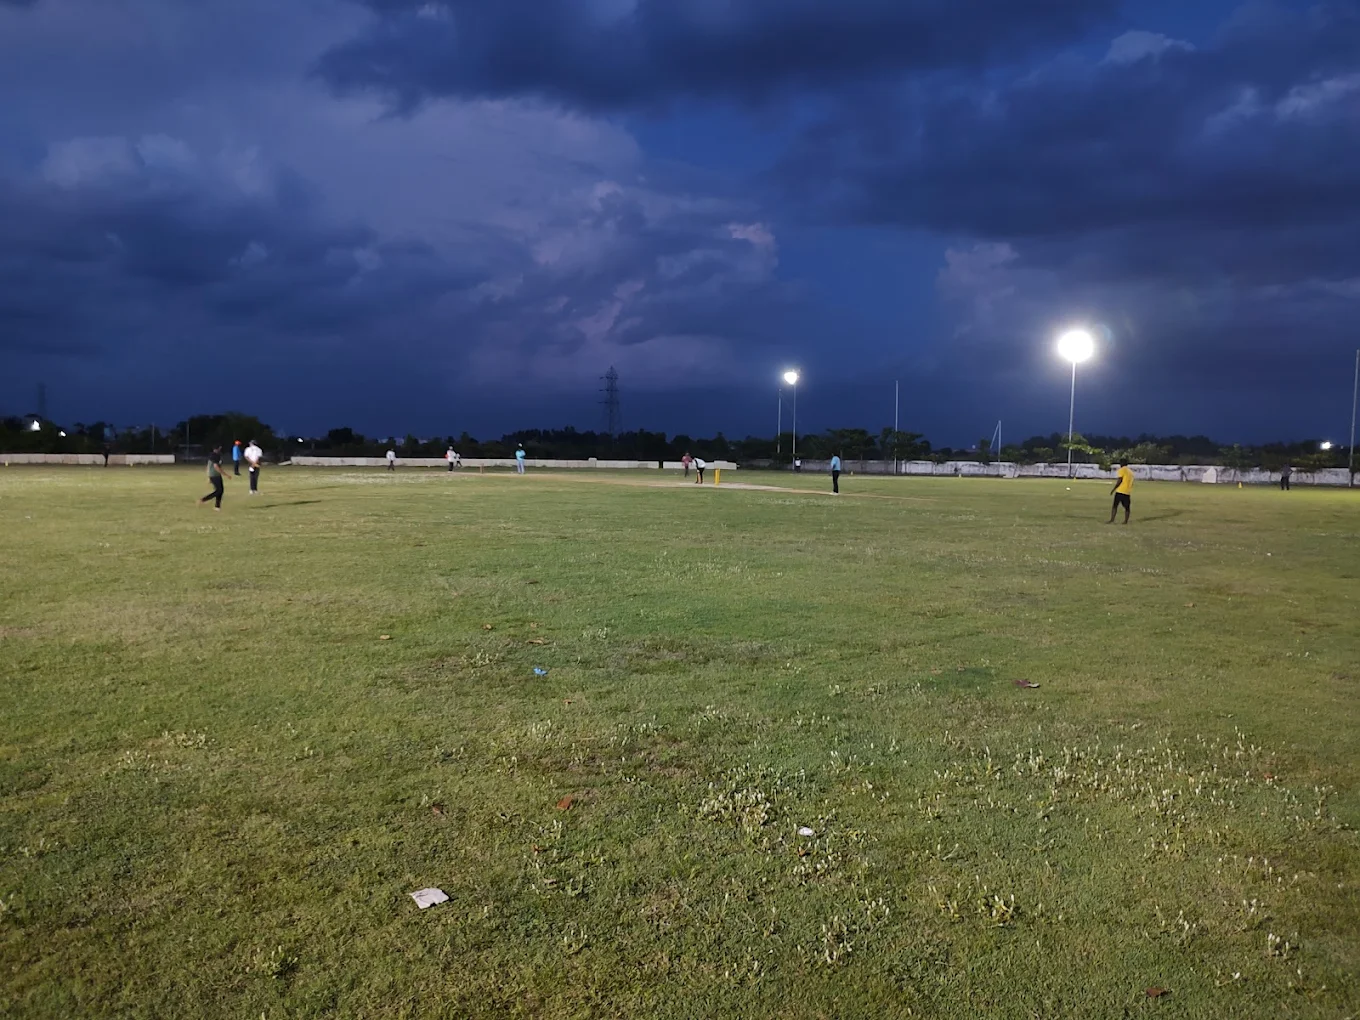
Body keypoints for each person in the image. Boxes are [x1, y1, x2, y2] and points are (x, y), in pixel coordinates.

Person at [199, 445, 229, 510]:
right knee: (219, 490)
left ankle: (217, 506)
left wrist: (208, 476)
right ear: (218, 448)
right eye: (220, 448)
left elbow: (208, 466)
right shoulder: (216, 456)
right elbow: (216, 467)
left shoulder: (211, 455)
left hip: (213, 475)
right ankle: (204, 499)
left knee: (220, 490)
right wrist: (225, 474)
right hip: (215, 475)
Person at [1109, 459, 1134, 524]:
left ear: (1121, 463)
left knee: (1115, 506)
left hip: (1120, 490)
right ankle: (1125, 521)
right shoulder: (1130, 472)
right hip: (1127, 492)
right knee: (1127, 507)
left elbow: (1120, 480)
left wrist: (1113, 489)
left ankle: (1112, 519)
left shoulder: (1121, 470)